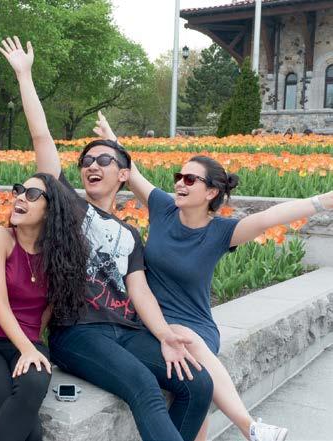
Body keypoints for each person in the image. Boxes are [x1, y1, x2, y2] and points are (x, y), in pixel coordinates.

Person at [0, 36, 213, 441]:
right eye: (86, 161)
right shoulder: (68, 207)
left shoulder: (130, 234)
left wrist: (164, 335)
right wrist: (24, 75)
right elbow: (42, 139)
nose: (91, 165)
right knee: (143, 386)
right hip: (78, 332)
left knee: (198, 383)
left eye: (103, 160)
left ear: (123, 175)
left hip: (128, 331)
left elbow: (140, 291)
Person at [94, 111, 333, 441]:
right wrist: (111, 139)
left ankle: (250, 427)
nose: (180, 183)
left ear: (210, 192)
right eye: (179, 176)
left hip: (193, 324)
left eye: (190, 179)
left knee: (188, 351)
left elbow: (270, 217)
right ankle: (250, 429)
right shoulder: (163, 208)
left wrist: (325, 201)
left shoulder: (221, 232)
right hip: (150, 320)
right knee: (195, 388)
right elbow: (131, 172)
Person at [0, 173, 89, 441]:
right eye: (19, 190)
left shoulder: (59, 256)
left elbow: (47, 310)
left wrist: (32, 346)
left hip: (29, 343)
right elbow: (0, 306)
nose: (19, 197)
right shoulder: (0, 238)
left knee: (35, 383)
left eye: (31, 195)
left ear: (50, 210)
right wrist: (28, 349)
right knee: (32, 432)